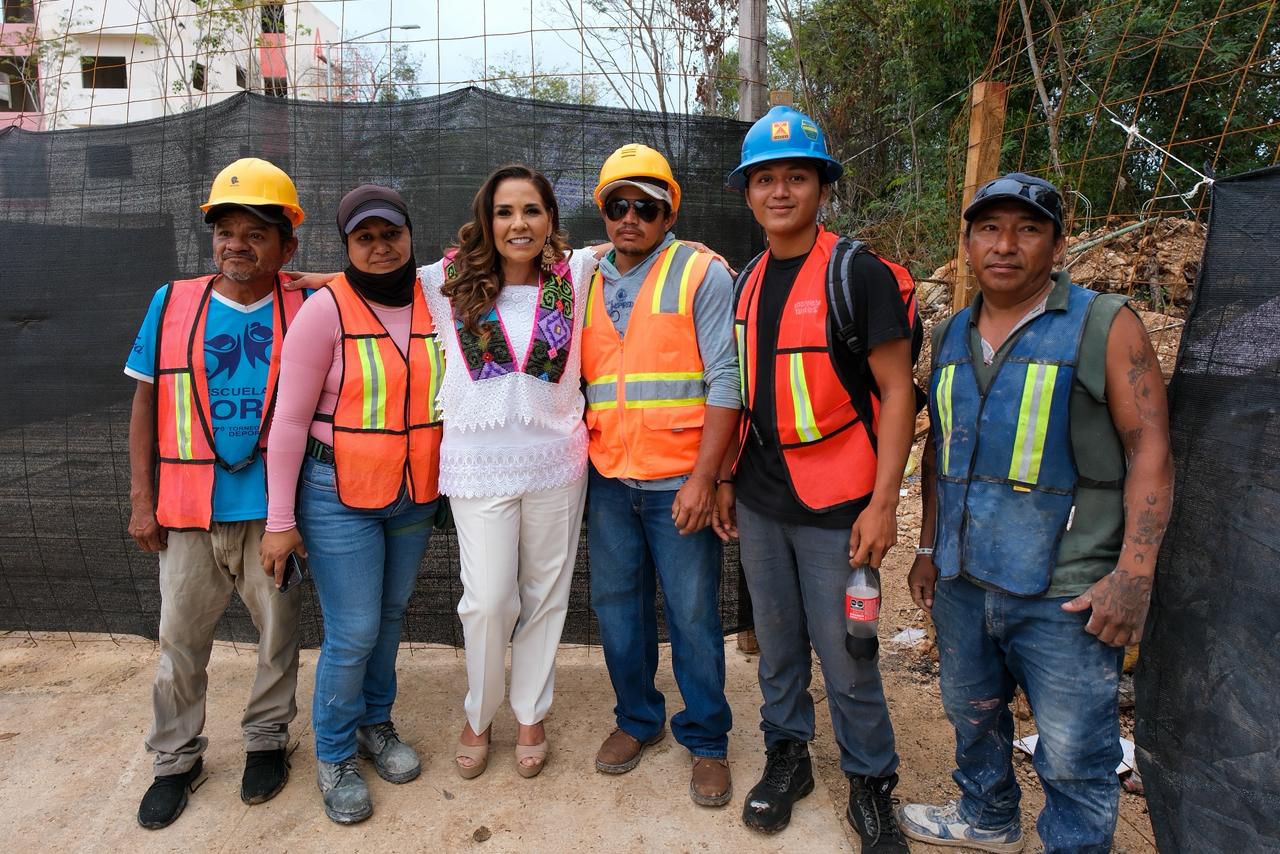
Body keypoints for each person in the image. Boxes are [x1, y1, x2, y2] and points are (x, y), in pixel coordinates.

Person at [899, 172, 1174, 854]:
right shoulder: (951, 332)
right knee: (973, 714)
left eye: (1027, 229)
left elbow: (1151, 451)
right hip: (965, 578)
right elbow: (943, 447)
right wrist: (930, 548)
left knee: (1076, 750)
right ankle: (987, 816)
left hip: (1068, 588)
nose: (1006, 245)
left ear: (1055, 243)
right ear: (966, 243)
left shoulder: (1104, 325)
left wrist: (1133, 575)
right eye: (989, 228)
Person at [714, 105, 917, 852]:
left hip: (842, 499)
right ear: (747, 193)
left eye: (796, 176)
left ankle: (871, 786)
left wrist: (883, 502)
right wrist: (731, 475)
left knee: (849, 650)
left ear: (821, 187)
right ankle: (787, 756)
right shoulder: (745, 281)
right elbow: (742, 390)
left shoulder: (854, 272)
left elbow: (897, 391)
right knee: (777, 638)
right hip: (764, 494)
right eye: (764, 179)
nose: (779, 191)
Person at [125, 157, 306, 829]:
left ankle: (266, 740)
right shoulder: (172, 303)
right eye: (225, 230)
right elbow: (145, 401)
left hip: (273, 513)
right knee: (179, 641)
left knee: (278, 635)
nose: (237, 243)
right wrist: (143, 499)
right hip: (187, 511)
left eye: (256, 231)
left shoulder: (308, 303)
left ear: (287, 244)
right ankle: (176, 758)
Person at [260, 185, 444, 825]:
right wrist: (280, 523)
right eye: (364, 237)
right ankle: (335, 752)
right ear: (346, 246)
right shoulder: (324, 310)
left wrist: (677, 244)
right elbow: (287, 422)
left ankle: (376, 724)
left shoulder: (437, 298)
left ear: (410, 236)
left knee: (390, 617)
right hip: (335, 494)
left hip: (412, 492)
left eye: (390, 233)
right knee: (354, 629)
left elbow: (530, 256)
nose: (379, 246)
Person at [420, 165, 599, 780]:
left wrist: (699, 249)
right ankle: (480, 709)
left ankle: (530, 711)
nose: (517, 223)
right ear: (486, 220)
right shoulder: (447, 283)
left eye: (530, 210)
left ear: (550, 219)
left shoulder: (574, 277)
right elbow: (371, 283)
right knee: (489, 599)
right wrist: (310, 280)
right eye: (504, 212)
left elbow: (647, 249)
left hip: (556, 462)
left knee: (545, 596)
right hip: (479, 465)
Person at [582, 143, 740, 807]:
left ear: (667, 212)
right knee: (617, 613)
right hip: (609, 480)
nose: (630, 217)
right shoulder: (583, 274)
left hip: (679, 479)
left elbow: (725, 380)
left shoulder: (699, 272)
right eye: (618, 204)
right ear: (603, 211)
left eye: (645, 206)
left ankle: (705, 738)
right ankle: (638, 719)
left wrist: (707, 478)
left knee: (694, 613)